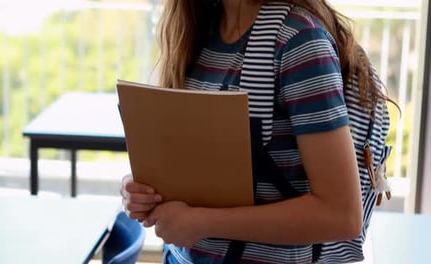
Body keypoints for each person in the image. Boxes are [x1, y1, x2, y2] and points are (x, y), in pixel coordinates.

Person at [120, 0, 394, 263]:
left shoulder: (299, 41)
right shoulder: (198, 30)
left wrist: (202, 222)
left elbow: (341, 215)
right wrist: (146, 188)